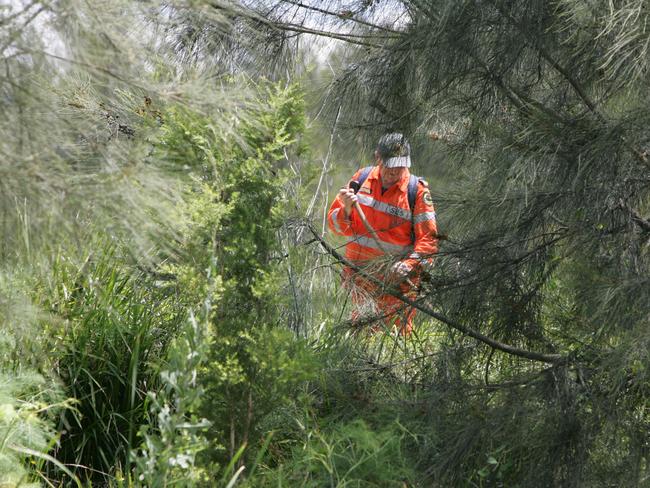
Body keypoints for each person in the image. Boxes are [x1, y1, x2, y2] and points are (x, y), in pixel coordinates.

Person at [327, 133, 439, 335]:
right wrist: (346, 210)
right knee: (360, 341)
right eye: (390, 164)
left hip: (396, 288)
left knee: (391, 345)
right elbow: (335, 225)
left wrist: (408, 266)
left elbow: (429, 242)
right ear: (378, 157)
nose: (394, 171)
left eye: (400, 165)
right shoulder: (361, 178)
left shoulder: (417, 192)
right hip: (358, 283)